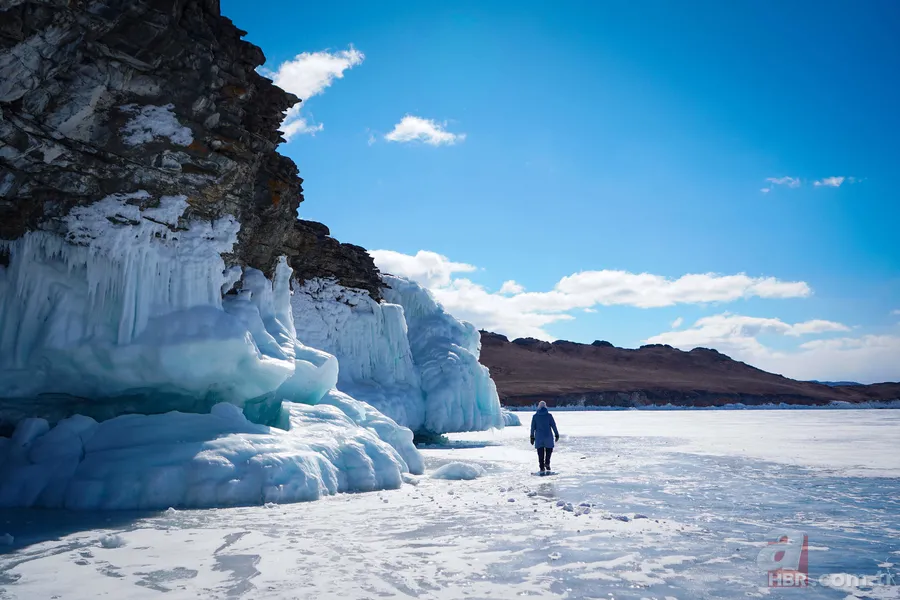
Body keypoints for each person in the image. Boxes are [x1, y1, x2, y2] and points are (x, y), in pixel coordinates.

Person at [530, 401, 559, 473]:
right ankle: (547, 463)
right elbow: (553, 425)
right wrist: (556, 434)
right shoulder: (549, 416)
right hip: (548, 436)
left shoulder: (535, 416)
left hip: (539, 437)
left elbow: (532, 428)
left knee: (540, 452)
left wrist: (532, 437)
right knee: (549, 450)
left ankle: (542, 467)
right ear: (545, 406)